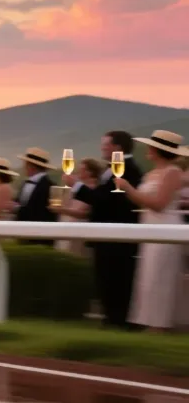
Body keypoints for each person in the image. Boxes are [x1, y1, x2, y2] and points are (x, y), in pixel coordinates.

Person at [66, 131, 145, 330]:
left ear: (117, 148)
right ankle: (111, 320)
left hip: (117, 237)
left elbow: (104, 202)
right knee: (106, 280)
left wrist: (76, 186)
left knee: (116, 281)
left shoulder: (128, 169)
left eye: (105, 146)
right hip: (107, 236)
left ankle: (118, 322)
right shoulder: (114, 169)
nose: (102, 149)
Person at [115, 130, 188, 333]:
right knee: (148, 276)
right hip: (149, 227)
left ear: (157, 150)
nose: (147, 149)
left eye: (150, 146)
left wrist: (128, 188)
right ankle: (150, 322)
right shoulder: (151, 173)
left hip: (166, 228)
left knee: (161, 276)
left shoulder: (172, 172)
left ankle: (160, 324)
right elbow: (144, 202)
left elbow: (159, 204)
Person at [14, 147, 57, 246]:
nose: (23, 167)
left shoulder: (49, 186)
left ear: (31, 166)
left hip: (40, 239)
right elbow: (21, 202)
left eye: (25, 164)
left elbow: (40, 212)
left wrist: (15, 208)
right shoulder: (25, 183)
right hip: (22, 235)